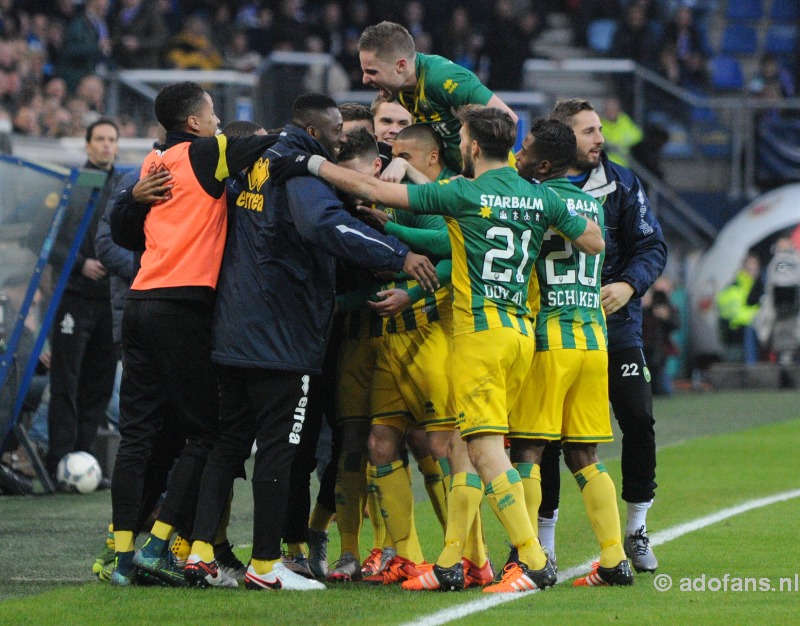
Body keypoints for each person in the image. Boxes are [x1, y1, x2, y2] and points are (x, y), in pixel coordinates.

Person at [270, 104, 604, 594]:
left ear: (470, 146)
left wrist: (309, 165)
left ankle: (532, 559)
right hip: (519, 334)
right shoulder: (538, 196)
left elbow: (374, 189)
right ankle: (454, 562)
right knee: (465, 448)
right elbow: (594, 242)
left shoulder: (462, 193)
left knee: (486, 450)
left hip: (480, 336)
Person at [183, 93, 437, 591]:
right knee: (281, 446)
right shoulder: (301, 173)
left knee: (230, 442)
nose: (344, 137)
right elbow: (323, 224)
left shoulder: (258, 161)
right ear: (317, 133)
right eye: (338, 129)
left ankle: (200, 555)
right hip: (281, 333)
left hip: (235, 326)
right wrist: (397, 253)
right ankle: (264, 565)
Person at [109, 81, 280, 587]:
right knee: (207, 432)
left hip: (139, 302)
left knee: (136, 435)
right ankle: (160, 543)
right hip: (181, 306)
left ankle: (121, 558)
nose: (218, 121)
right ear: (194, 123)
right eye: (212, 113)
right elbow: (267, 140)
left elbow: (125, 231)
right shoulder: (206, 154)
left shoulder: (153, 164)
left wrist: (127, 198)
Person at [539, 98, 667, 574]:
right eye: (590, 131)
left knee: (638, 417)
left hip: (616, 327)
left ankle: (635, 529)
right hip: (552, 326)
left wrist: (629, 283)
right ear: (564, 136)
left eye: (599, 129)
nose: (601, 138)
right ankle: (543, 542)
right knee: (545, 434)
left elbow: (652, 244)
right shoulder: (534, 182)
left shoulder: (621, 182)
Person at [508, 117, 633, 587]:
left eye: (525, 150)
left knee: (528, 449)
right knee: (585, 453)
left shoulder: (534, 200)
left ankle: (529, 559)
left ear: (541, 162)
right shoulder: (592, 204)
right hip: (593, 339)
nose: (517, 156)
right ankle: (614, 558)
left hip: (549, 338)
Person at [45, 118, 123, 487]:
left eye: (112, 140)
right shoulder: (72, 185)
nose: (107, 145)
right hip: (74, 297)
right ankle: (59, 461)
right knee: (67, 379)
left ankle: (85, 459)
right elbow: (42, 239)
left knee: (100, 382)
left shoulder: (125, 186)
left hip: (110, 299)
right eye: (100, 139)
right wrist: (80, 263)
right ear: (88, 145)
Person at [357, 21, 517, 172]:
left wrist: (475, 178)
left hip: (493, 185)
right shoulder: (401, 87)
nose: (364, 80)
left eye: (372, 72)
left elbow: (508, 119)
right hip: (458, 181)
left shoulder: (442, 78)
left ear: (400, 65)